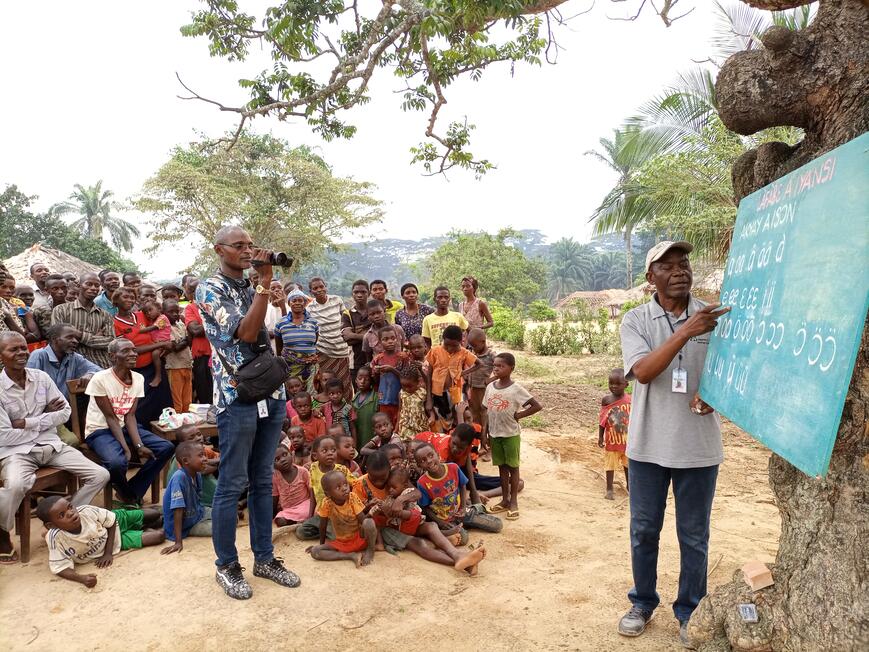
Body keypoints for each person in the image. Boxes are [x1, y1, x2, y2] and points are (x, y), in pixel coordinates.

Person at [616, 241, 730, 646]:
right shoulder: (635, 321)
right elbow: (644, 371)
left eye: (684, 264)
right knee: (644, 530)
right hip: (647, 446)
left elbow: (732, 369)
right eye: (668, 266)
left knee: (694, 535)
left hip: (699, 447)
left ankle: (689, 609)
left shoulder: (714, 317)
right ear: (651, 278)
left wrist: (716, 393)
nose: (680, 271)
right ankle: (642, 602)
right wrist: (687, 331)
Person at [195, 226, 299, 599]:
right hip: (236, 395)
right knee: (232, 483)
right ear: (218, 249)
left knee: (261, 478)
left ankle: (265, 558)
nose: (247, 251)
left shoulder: (252, 285)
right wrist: (264, 283)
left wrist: (264, 285)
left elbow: (270, 332)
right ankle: (227, 565)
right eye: (238, 246)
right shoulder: (210, 289)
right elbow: (245, 331)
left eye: (250, 245)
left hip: (269, 393)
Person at [0, 331, 110, 564]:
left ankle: (60, 521)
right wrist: (43, 416)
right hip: (17, 451)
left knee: (100, 474)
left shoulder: (40, 377)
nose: (21, 353)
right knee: (16, 485)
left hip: (51, 445)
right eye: (13, 349)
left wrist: (27, 422)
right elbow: (5, 434)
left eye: (23, 348)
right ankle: (2, 533)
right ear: (1, 355)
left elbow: (65, 413)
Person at [83, 338, 174, 505]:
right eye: (126, 351)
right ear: (112, 356)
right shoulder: (100, 379)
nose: (133, 354)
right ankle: (128, 495)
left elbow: (130, 416)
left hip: (125, 426)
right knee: (117, 462)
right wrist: (126, 448)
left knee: (165, 447)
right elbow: (111, 417)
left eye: (133, 350)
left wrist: (138, 446)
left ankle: (132, 490)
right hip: (100, 430)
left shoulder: (138, 378)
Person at [38, 496, 163, 586]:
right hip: (118, 540)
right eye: (62, 515)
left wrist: (108, 553)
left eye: (70, 507)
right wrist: (82, 578)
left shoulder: (86, 511)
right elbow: (60, 568)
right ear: (51, 526)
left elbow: (112, 521)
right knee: (159, 536)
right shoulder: (55, 538)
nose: (70, 513)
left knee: (154, 514)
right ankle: (143, 526)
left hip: (115, 522)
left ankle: (144, 516)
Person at [382, 466, 486, 574]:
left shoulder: (405, 490)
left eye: (393, 487)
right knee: (420, 545)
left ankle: (457, 555)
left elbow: (417, 493)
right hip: (399, 530)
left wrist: (400, 500)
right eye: (388, 487)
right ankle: (464, 562)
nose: (390, 490)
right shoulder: (388, 498)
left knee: (431, 525)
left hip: (413, 524)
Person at [483, 352, 541, 521]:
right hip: (494, 433)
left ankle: (514, 501)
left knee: (513, 468)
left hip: (510, 434)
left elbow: (536, 406)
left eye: (501, 366)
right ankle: (505, 499)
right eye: (495, 365)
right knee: (501, 467)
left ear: (511, 368)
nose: (496, 369)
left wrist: (519, 415)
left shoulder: (516, 389)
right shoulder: (490, 387)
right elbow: (486, 411)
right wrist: (485, 432)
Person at [415, 442, 501, 544]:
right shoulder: (422, 483)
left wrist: (463, 507)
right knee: (463, 539)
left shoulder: (453, 468)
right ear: (419, 465)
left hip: (461, 513)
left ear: (437, 454)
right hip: (446, 521)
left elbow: (463, 485)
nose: (429, 461)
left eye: (431, 455)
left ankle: (470, 516)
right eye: (423, 460)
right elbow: (425, 508)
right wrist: (440, 523)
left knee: (497, 524)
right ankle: (447, 531)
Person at [111, 288, 173, 423]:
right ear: (116, 301)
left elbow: (160, 328)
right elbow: (130, 350)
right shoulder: (115, 323)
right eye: (125, 297)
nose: (129, 300)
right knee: (142, 406)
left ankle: (167, 436)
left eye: (132, 297)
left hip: (155, 365)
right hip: (136, 370)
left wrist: (166, 344)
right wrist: (159, 345)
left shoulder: (142, 315)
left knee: (163, 402)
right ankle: (143, 436)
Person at [307, 469, 376, 567]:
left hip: (359, 539)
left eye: (345, 484)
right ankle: (350, 556)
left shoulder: (352, 498)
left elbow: (362, 520)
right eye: (338, 487)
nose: (344, 488)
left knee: (368, 522)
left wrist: (370, 513)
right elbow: (323, 525)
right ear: (328, 494)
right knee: (315, 551)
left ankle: (370, 550)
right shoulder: (327, 503)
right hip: (342, 543)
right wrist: (321, 545)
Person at [50, 272, 115, 369]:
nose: (93, 288)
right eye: (89, 284)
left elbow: (111, 342)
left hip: (102, 365)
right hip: (72, 366)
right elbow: (58, 341)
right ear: (79, 285)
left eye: (97, 285)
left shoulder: (105, 315)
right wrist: (94, 338)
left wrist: (79, 335)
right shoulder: (61, 310)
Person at [160, 440, 215, 554]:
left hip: (198, 513)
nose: (205, 458)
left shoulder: (197, 473)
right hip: (186, 525)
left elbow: (198, 499)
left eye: (204, 454)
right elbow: (178, 510)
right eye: (201, 455)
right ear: (186, 461)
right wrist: (178, 542)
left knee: (228, 516)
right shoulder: (179, 478)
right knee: (220, 528)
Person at [306, 277, 352, 399]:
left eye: (321, 286)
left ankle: (346, 413)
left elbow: (346, 319)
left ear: (325, 287)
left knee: (344, 383)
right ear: (311, 292)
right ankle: (325, 413)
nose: (319, 290)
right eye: (315, 288)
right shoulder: (310, 308)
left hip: (341, 349)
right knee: (325, 383)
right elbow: (310, 330)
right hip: (323, 351)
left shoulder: (337, 300)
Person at [426, 325, 480, 424]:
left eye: (454, 345)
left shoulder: (463, 352)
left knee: (458, 415)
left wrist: (462, 373)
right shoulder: (435, 351)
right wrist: (429, 398)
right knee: (440, 418)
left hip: (456, 391)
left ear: (461, 342)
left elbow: (479, 364)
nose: (450, 348)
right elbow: (429, 375)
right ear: (443, 340)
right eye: (447, 345)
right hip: (437, 393)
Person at [164, 424, 220, 508]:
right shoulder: (181, 458)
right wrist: (217, 465)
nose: (198, 438)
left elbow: (219, 456)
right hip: (185, 502)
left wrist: (216, 461)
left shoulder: (203, 449)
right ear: (182, 443)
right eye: (191, 438)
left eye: (199, 434)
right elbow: (203, 470)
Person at [274, 288, 319, 390]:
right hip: (290, 367)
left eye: (300, 300)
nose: (297, 303)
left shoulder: (313, 322)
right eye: (294, 301)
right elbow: (279, 347)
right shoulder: (281, 323)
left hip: (310, 367)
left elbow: (314, 342)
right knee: (293, 393)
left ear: (305, 303)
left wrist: (305, 356)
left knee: (312, 393)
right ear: (289, 303)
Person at [598, 368, 631, 500]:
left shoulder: (630, 400)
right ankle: (609, 489)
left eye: (618, 384)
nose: (614, 386)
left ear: (626, 385)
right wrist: (600, 437)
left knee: (628, 465)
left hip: (627, 441)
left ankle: (630, 486)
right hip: (612, 441)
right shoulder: (606, 400)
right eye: (611, 383)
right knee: (610, 465)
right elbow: (602, 420)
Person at [182, 276, 213, 406]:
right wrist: (220, 323)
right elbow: (195, 330)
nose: (196, 292)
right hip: (202, 356)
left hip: (221, 354)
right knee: (205, 394)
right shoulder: (190, 308)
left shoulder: (217, 304)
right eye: (192, 290)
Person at [162, 299, 194, 413]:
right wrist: (185, 340)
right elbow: (174, 347)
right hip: (174, 367)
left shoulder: (181, 324)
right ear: (163, 312)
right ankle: (177, 421)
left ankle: (186, 419)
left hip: (187, 364)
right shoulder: (164, 327)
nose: (175, 314)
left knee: (187, 398)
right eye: (171, 312)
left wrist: (183, 341)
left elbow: (190, 340)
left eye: (177, 311)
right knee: (176, 399)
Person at [272, 443, 314, 527]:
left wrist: (311, 513)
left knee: (308, 512)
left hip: (305, 504)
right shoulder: (275, 476)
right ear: (273, 465)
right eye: (277, 459)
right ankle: (297, 521)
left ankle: (300, 520)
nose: (283, 460)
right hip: (288, 510)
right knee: (279, 521)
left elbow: (312, 492)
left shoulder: (303, 472)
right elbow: (275, 496)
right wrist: (273, 514)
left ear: (291, 454)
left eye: (285, 454)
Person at [371, 327, 406, 425]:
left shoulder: (403, 357)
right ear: (380, 342)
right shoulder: (378, 359)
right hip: (384, 398)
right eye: (385, 339)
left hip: (400, 398)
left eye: (393, 338)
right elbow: (375, 381)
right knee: (386, 424)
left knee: (399, 424)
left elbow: (407, 378)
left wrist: (392, 370)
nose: (390, 341)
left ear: (397, 339)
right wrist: (376, 373)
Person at [340, 280, 371, 383]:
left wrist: (355, 335)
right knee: (359, 393)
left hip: (375, 359)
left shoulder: (375, 311)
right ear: (352, 294)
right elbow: (347, 339)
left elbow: (380, 335)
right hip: (356, 361)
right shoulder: (347, 314)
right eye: (356, 292)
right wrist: (369, 335)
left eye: (363, 292)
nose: (359, 295)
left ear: (369, 293)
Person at [138, 299, 172, 390]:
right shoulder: (154, 320)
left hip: (162, 342)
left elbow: (152, 328)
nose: (148, 313)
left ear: (159, 308)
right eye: (146, 312)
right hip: (157, 343)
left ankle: (158, 376)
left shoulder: (162, 318)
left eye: (150, 310)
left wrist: (138, 330)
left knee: (155, 354)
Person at [466, 328, 495, 428]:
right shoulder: (474, 354)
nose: (473, 348)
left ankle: (485, 432)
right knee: (474, 411)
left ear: (483, 342)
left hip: (483, 388)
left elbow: (502, 368)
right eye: (471, 346)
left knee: (483, 410)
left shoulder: (491, 354)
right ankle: (478, 432)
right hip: (473, 387)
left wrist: (491, 379)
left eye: (475, 346)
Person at [30, 274, 68, 342]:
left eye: (64, 288)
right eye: (55, 289)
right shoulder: (40, 312)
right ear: (47, 290)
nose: (61, 292)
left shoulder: (75, 309)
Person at [397, 363, 430, 439]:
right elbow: (399, 410)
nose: (406, 389)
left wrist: (432, 416)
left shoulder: (422, 392)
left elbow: (427, 382)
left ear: (418, 382)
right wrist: (397, 427)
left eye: (409, 386)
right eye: (403, 386)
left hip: (420, 425)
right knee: (406, 444)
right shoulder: (401, 393)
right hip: (405, 425)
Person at [352, 366, 378, 451]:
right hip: (358, 442)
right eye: (360, 378)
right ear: (356, 380)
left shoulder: (375, 398)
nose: (362, 382)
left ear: (371, 381)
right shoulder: (353, 400)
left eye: (366, 379)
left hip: (371, 442)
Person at [322, 378, 356, 442]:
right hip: (330, 441)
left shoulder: (348, 408)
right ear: (327, 394)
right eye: (332, 393)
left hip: (345, 441)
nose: (335, 396)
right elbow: (316, 411)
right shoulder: (325, 407)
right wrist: (316, 411)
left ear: (343, 392)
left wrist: (354, 442)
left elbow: (352, 428)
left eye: (338, 393)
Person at [263, 279, 288, 353]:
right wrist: (277, 333)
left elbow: (288, 330)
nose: (277, 290)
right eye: (273, 289)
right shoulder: (264, 309)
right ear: (269, 292)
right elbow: (260, 331)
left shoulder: (291, 308)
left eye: (280, 288)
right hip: (269, 351)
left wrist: (283, 308)